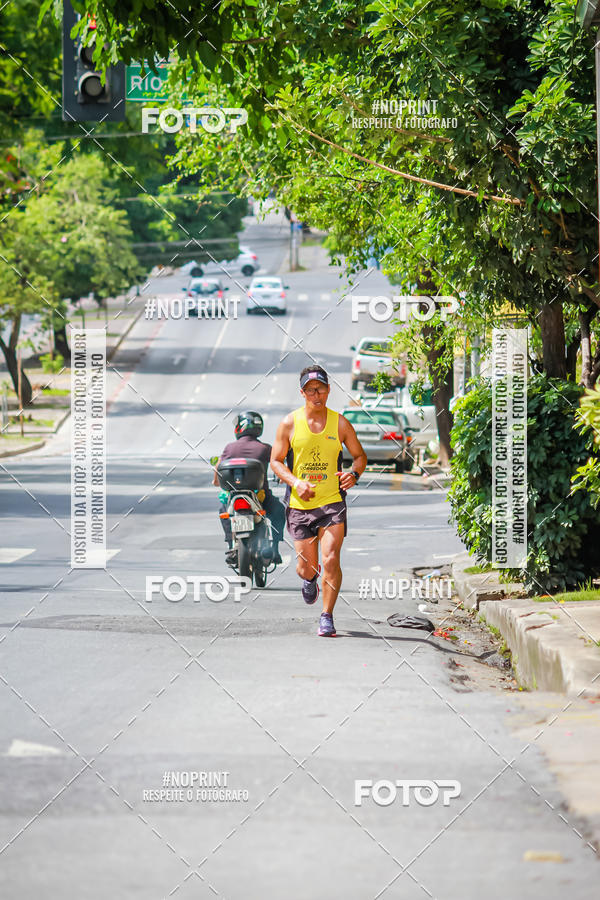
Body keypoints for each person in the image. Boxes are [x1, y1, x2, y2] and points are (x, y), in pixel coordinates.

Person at [270, 366, 367, 636]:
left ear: (328, 390)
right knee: (306, 567)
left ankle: (327, 616)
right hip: (300, 506)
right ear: (302, 392)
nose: (316, 394)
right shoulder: (289, 423)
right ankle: (311, 578)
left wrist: (354, 474)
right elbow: (276, 461)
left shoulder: (340, 424)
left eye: (321, 389)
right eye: (310, 390)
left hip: (331, 503)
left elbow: (360, 456)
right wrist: (295, 482)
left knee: (332, 558)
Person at [213, 411, 285, 565]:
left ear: (239, 428)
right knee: (279, 510)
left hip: (234, 497)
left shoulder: (229, 448)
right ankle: (276, 549)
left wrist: (216, 482)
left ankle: (231, 546)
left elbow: (218, 467)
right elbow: (277, 465)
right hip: (261, 497)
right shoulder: (265, 448)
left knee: (223, 511)